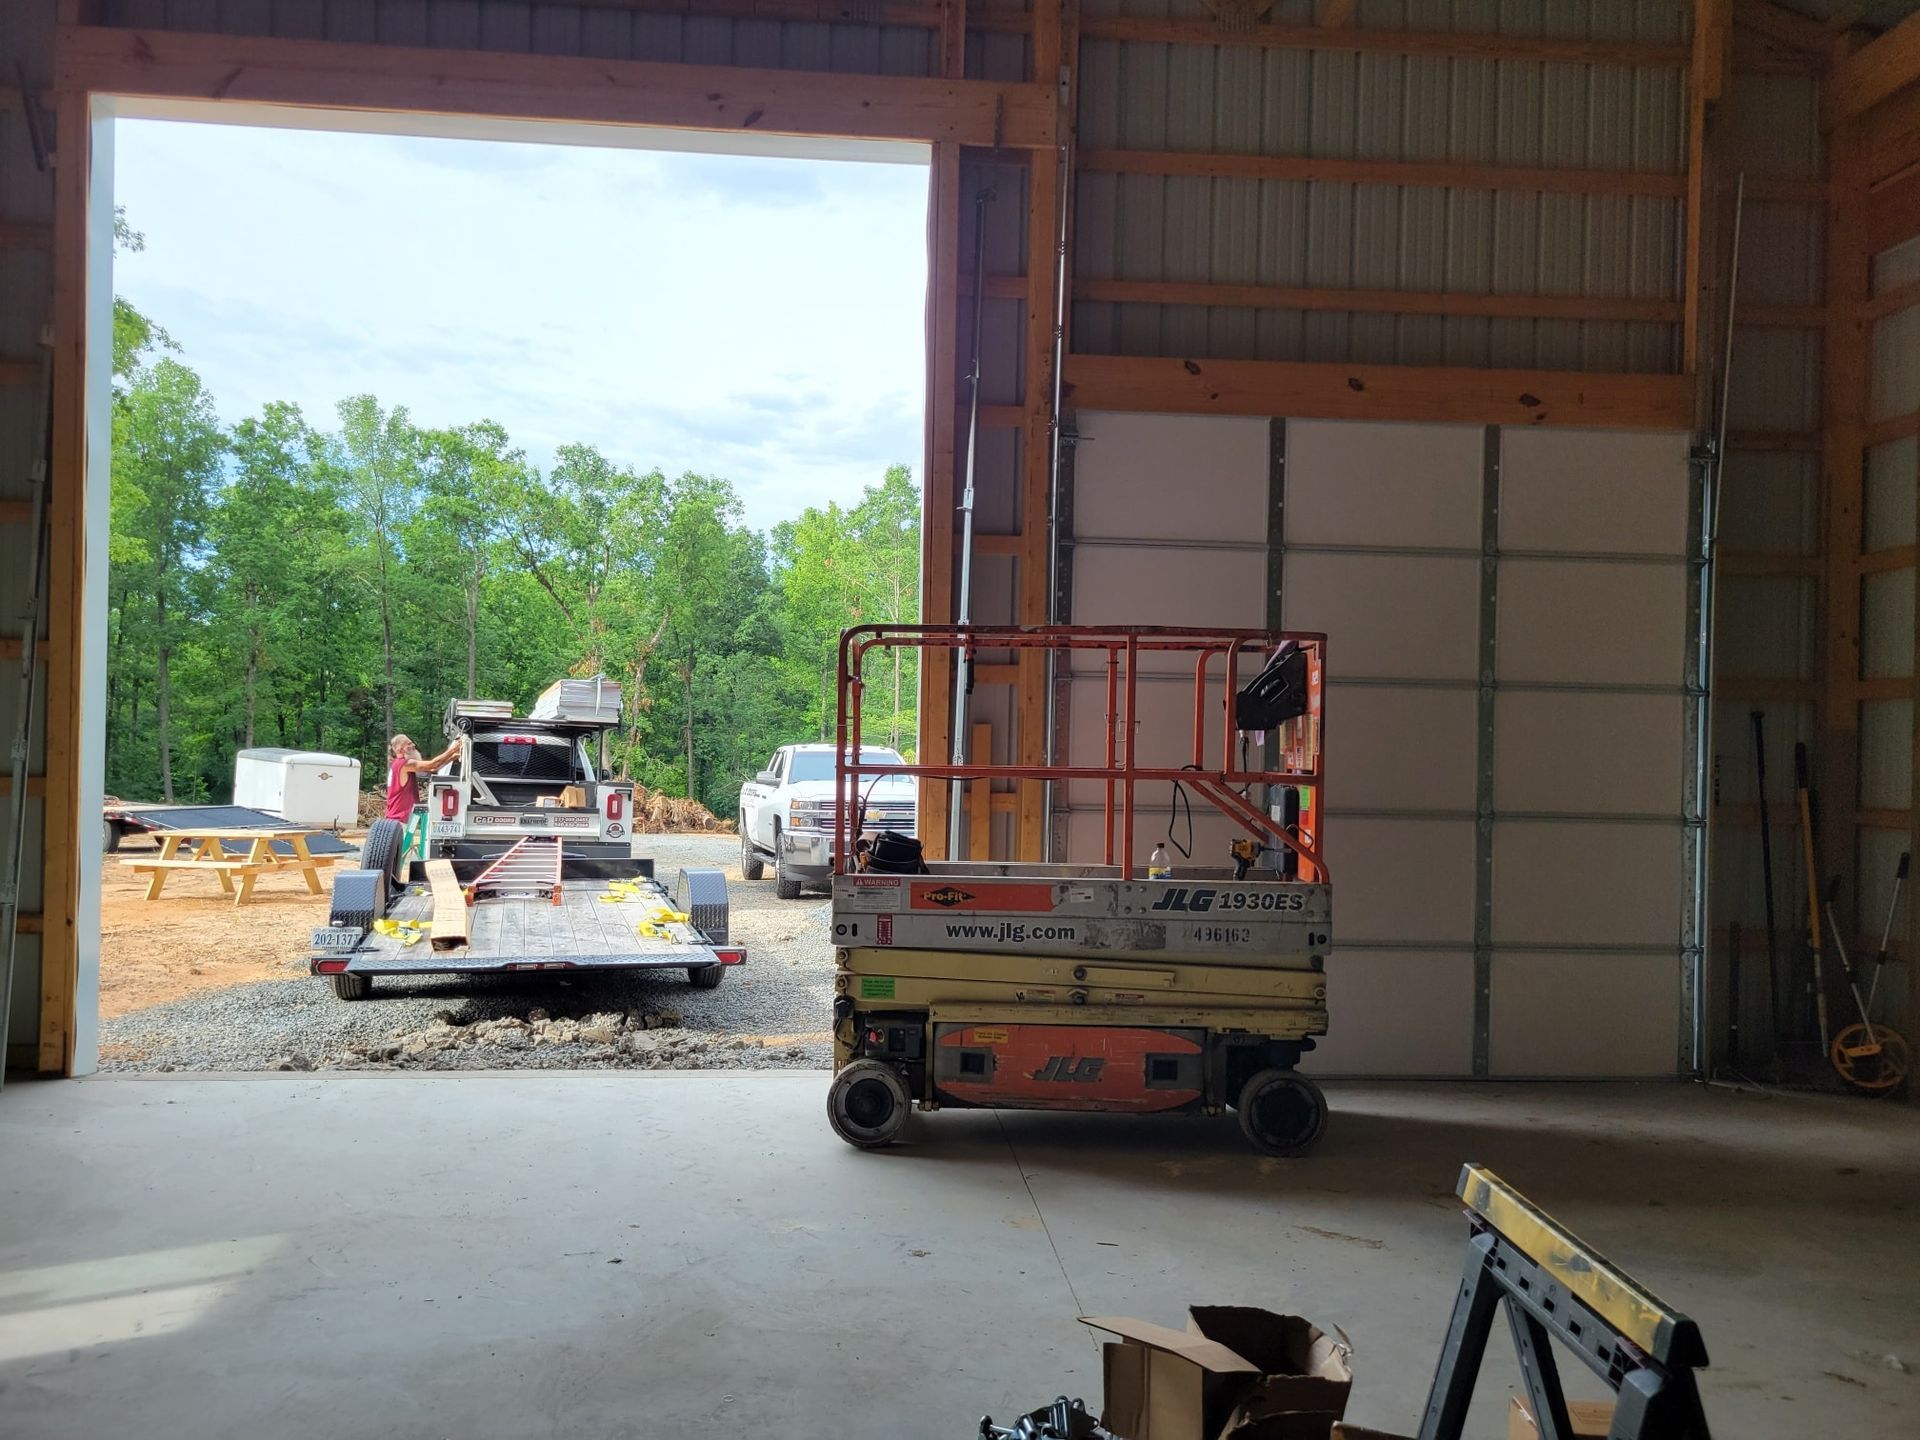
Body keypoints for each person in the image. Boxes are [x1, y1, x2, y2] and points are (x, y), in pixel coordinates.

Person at [385, 733, 461, 823]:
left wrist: (451, 758)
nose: (413, 745)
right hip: (399, 818)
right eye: (409, 744)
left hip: (397, 818)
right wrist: (452, 749)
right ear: (401, 749)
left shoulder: (398, 765)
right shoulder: (404, 764)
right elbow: (432, 764)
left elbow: (432, 769)